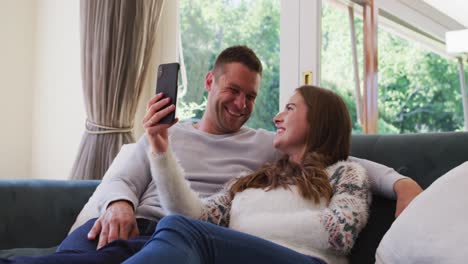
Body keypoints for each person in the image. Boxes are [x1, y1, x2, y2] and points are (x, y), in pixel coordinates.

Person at [0, 46, 421, 263]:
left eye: (251, 96)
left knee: (178, 232)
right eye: (233, 91)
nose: (243, 104)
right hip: (139, 225)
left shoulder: (267, 148)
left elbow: (341, 162)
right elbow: (124, 176)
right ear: (209, 82)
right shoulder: (174, 136)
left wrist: (402, 183)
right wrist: (121, 201)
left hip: (189, 238)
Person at [123, 85, 370, 264]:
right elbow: (192, 217)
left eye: (290, 108)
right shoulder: (255, 179)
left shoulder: (345, 173)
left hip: (308, 260)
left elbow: (340, 232)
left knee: (178, 228)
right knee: (174, 224)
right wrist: (160, 148)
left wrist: (237, 228)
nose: (277, 117)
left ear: (319, 120)